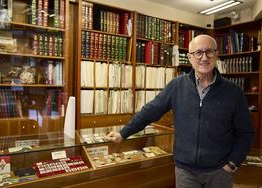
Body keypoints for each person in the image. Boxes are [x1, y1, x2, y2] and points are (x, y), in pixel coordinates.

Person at [105, 34, 254, 188]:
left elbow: (246, 133)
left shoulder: (233, 92)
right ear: (190, 58)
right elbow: (150, 111)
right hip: (186, 172)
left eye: (209, 51)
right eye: (198, 52)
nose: (204, 57)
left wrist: (232, 164)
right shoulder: (177, 86)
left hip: (219, 173)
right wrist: (123, 133)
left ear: (216, 55)